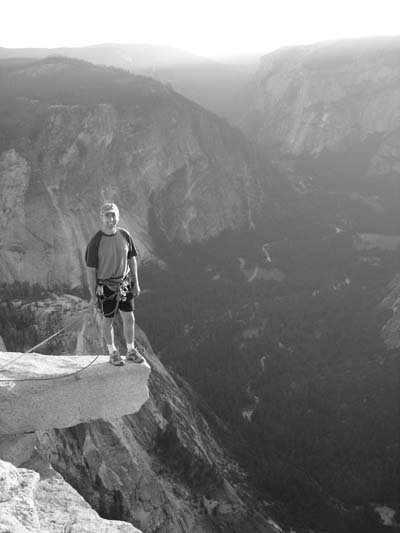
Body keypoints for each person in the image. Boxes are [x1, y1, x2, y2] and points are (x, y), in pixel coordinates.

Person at [85, 202, 145, 366]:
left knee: (129, 318)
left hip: (124, 284)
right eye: (107, 215)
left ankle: (131, 350)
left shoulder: (125, 235)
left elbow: (131, 259)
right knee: (108, 321)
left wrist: (136, 283)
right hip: (106, 287)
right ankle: (112, 352)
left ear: (117, 216)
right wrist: (93, 296)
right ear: (101, 218)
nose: (111, 219)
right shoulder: (95, 242)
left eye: (113, 215)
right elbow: (91, 271)